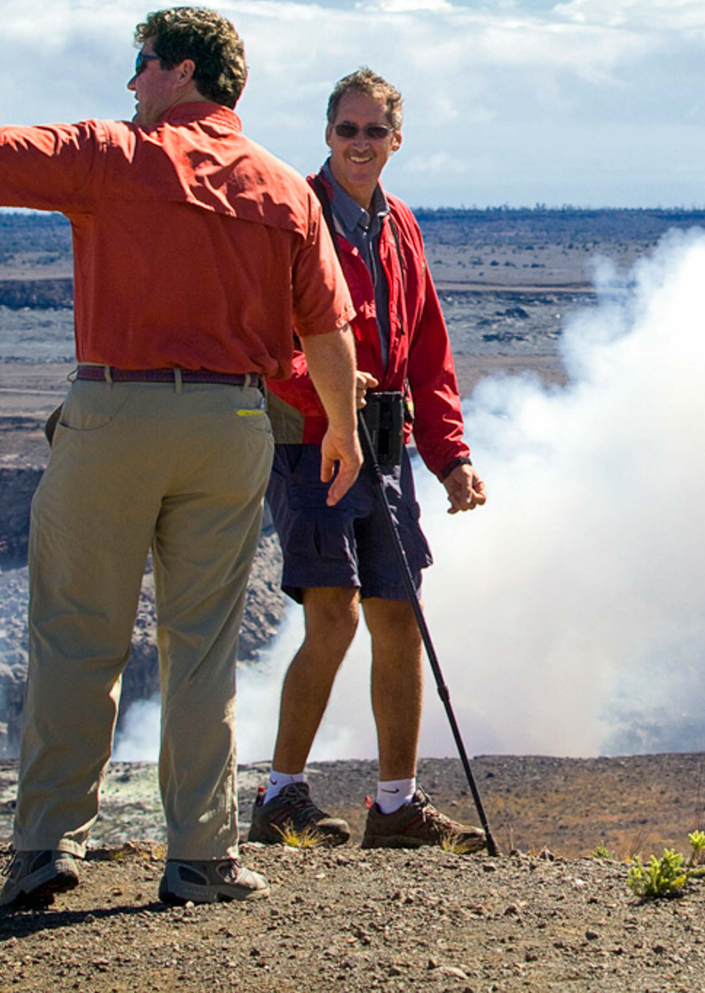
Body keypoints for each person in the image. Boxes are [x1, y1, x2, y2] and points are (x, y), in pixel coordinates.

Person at [0, 8, 362, 906]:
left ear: (180, 71)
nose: (130, 83)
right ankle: (203, 857)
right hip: (232, 425)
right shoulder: (286, 189)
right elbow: (327, 328)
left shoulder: (113, 155)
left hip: (114, 415)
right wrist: (342, 430)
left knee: (75, 636)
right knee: (202, 648)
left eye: (140, 65)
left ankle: (48, 845)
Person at [248, 68, 488, 852]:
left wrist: (449, 457)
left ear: (396, 140)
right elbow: (260, 336)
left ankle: (395, 806)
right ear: (327, 135)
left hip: (385, 445)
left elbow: (427, 350)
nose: (360, 143)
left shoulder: (401, 226)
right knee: (334, 613)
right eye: (347, 129)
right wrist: (315, 377)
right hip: (309, 443)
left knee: (398, 614)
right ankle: (280, 795)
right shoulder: (294, 213)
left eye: (374, 131)